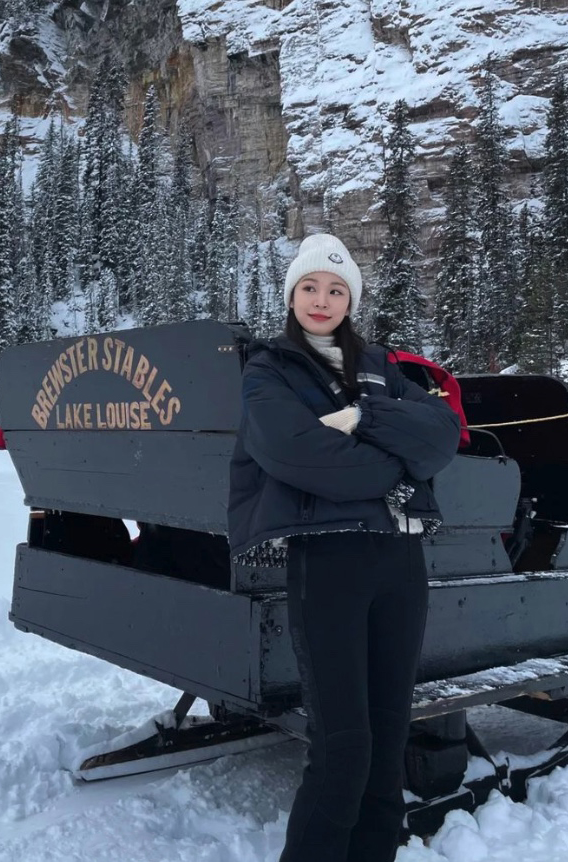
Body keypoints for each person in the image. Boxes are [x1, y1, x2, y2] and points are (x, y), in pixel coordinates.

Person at [228, 233, 460, 862]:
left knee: (387, 743)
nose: (322, 299)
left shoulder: (383, 366)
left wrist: (360, 419)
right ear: (292, 295)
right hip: (327, 564)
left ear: (350, 299)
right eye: (310, 287)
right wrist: (396, 467)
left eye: (336, 289)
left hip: (398, 563)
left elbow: (443, 434)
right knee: (343, 747)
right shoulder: (269, 368)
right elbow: (294, 452)